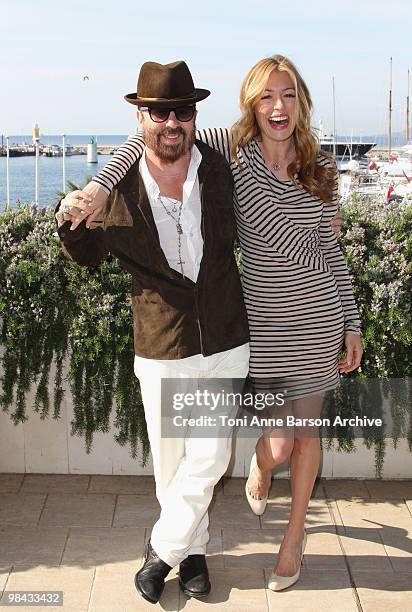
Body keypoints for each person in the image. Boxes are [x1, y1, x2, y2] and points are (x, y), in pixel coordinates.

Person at [68, 55, 362, 592]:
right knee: (237, 453)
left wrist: (353, 321)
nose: (279, 106)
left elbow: (331, 250)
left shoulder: (310, 169)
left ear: (301, 102)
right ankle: (192, 544)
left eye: (289, 94)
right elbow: (149, 143)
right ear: (252, 105)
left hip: (295, 323)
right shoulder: (231, 156)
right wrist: (100, 186)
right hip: (237, 332)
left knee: (276, 440)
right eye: (267, 96)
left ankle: (269, 544)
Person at [56, 60, 250, 605]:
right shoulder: (114, 188)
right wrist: (70, 217)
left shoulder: (218, 164)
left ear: (194, 116)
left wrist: (320, 211)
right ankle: (191, 556)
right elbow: (88, 256)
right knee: (172, 466)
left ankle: (160, 550)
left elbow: (272, 175)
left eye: (181, 111)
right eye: (158, 111)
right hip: (162, 342)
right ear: (139, 116)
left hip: (225, 338)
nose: (171, 122)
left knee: (209, 457)